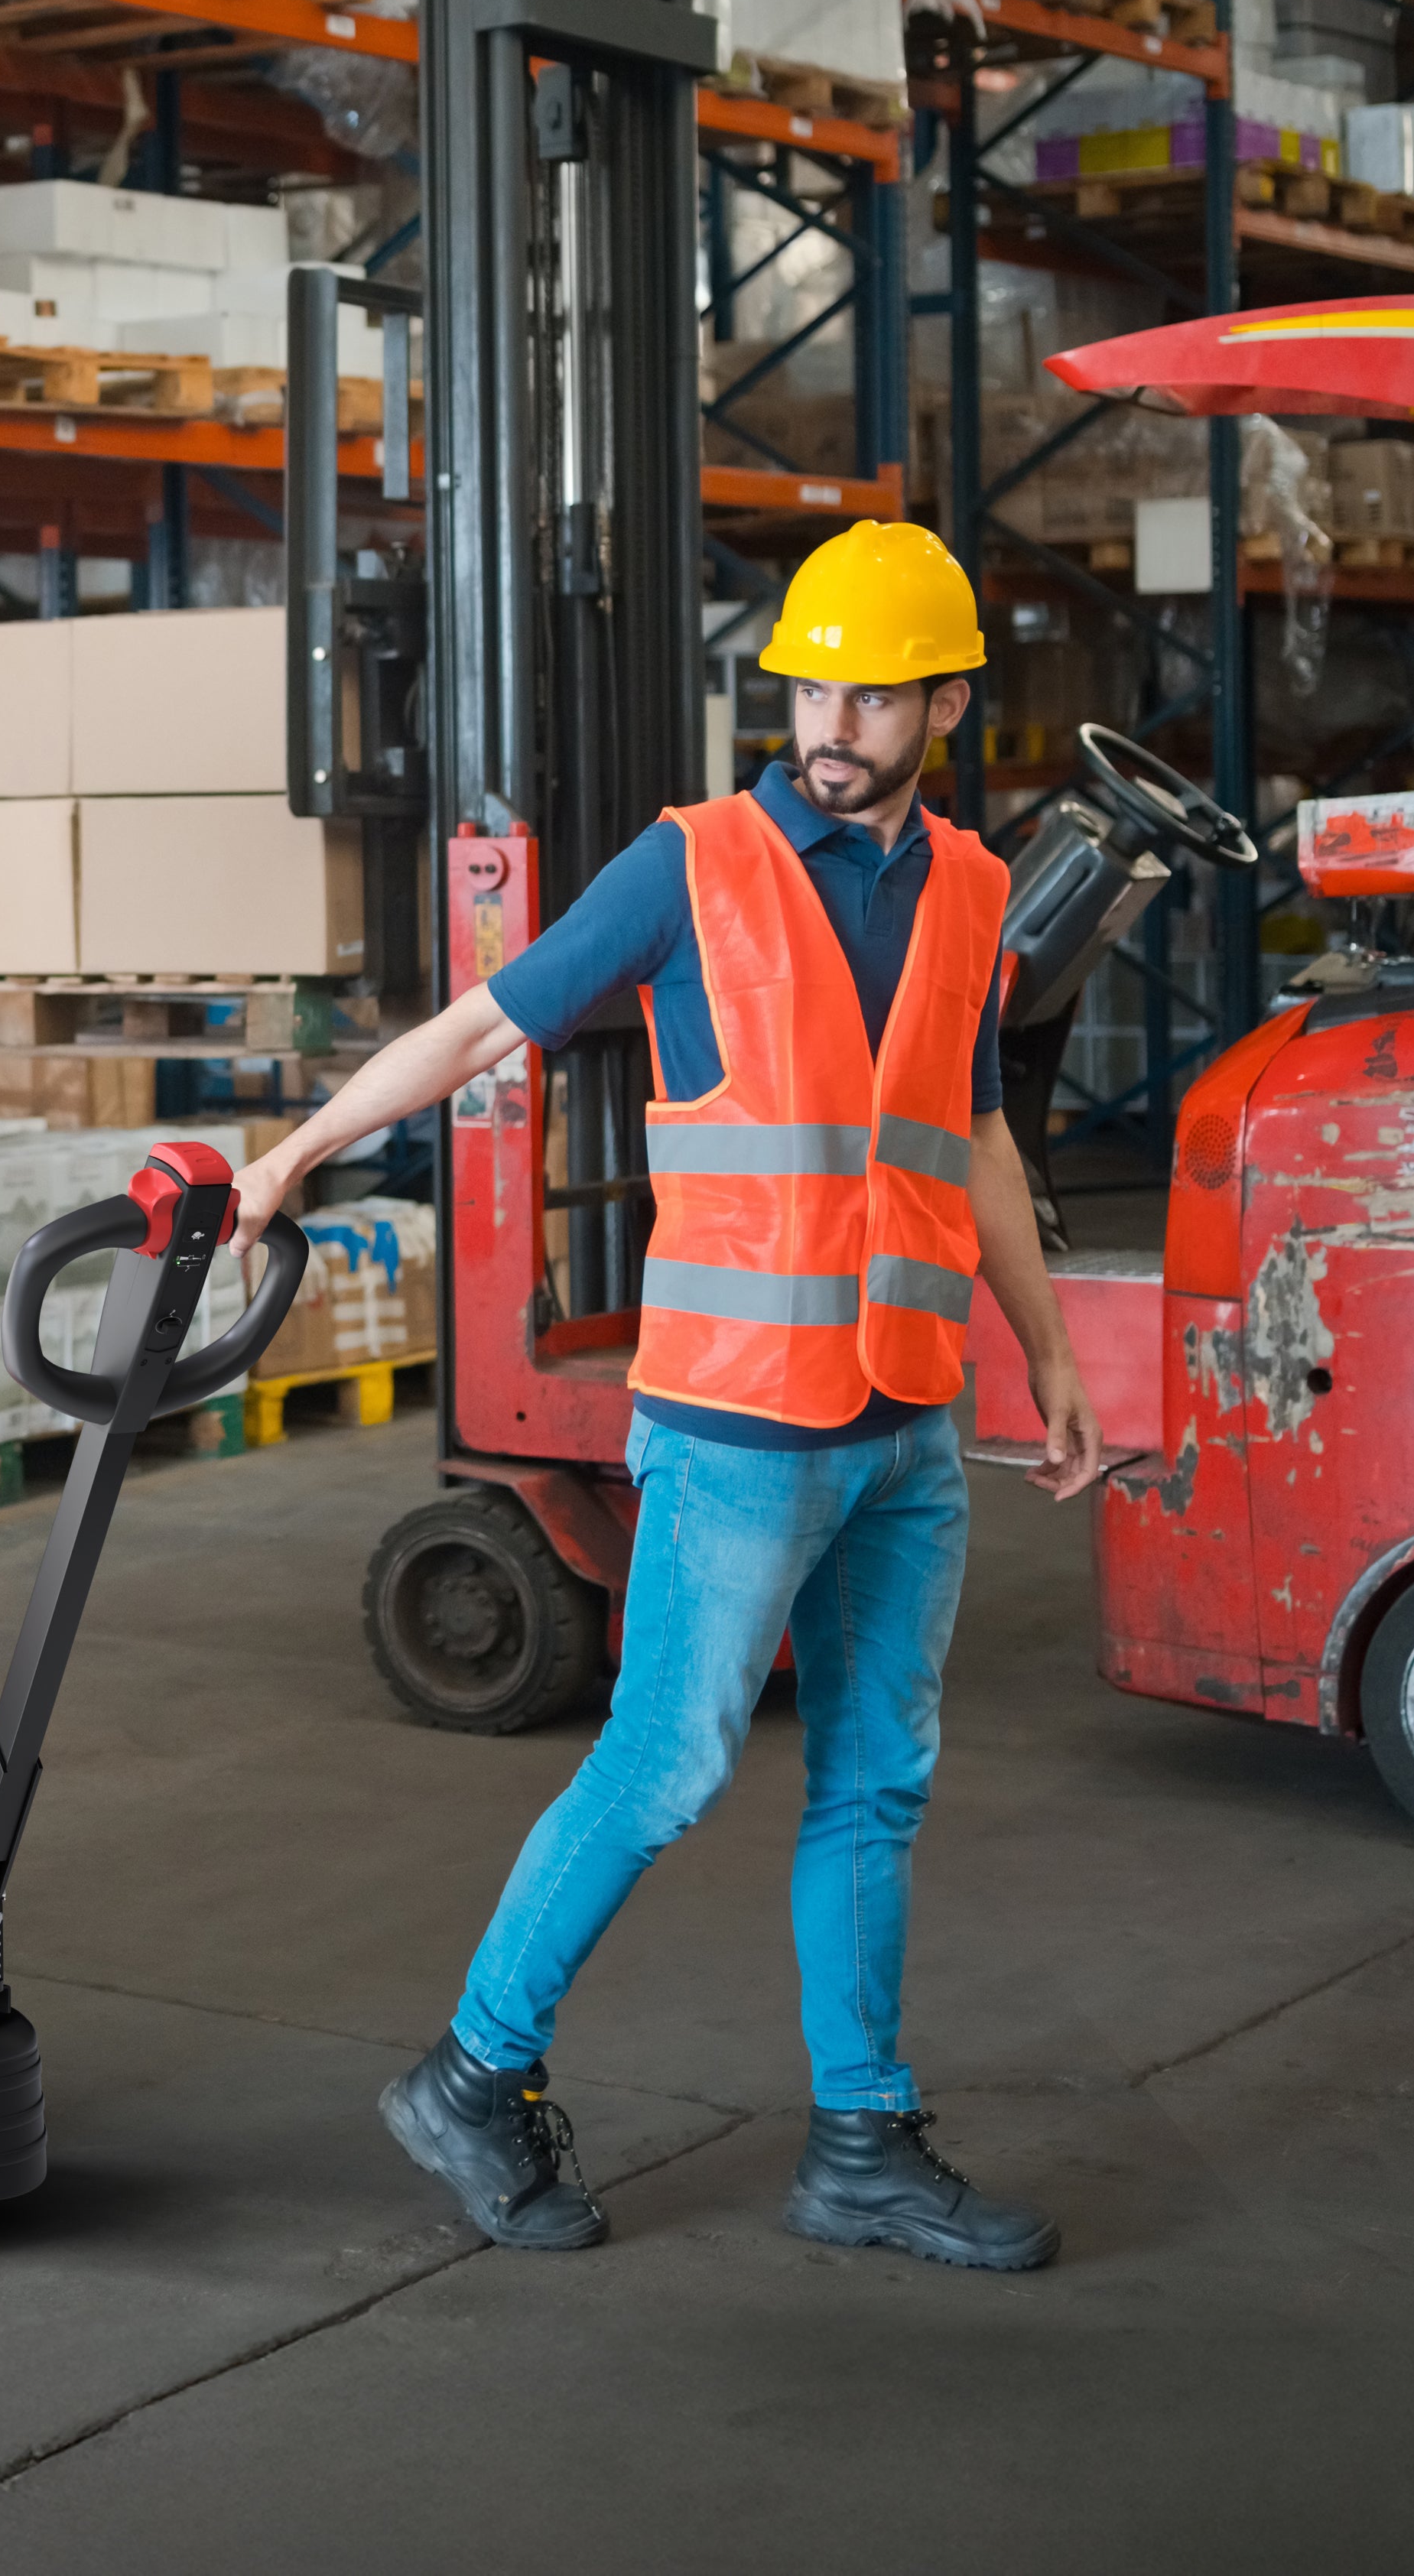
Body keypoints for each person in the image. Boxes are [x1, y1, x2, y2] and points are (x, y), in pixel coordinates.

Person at [227, 521, 1104, 2274]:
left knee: (875, 1782)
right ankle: (472, 2070)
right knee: (665, 1762)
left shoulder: (975, 892)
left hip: (906, 1416)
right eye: (805, 681)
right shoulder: (687, 863)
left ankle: (859, 2139)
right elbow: (484, 1025)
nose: (829, 715)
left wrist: (1052, 1349)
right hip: (732, 1421)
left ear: (942, 698)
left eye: (868, 688)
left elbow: (977, 1130)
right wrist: (296, 1150)